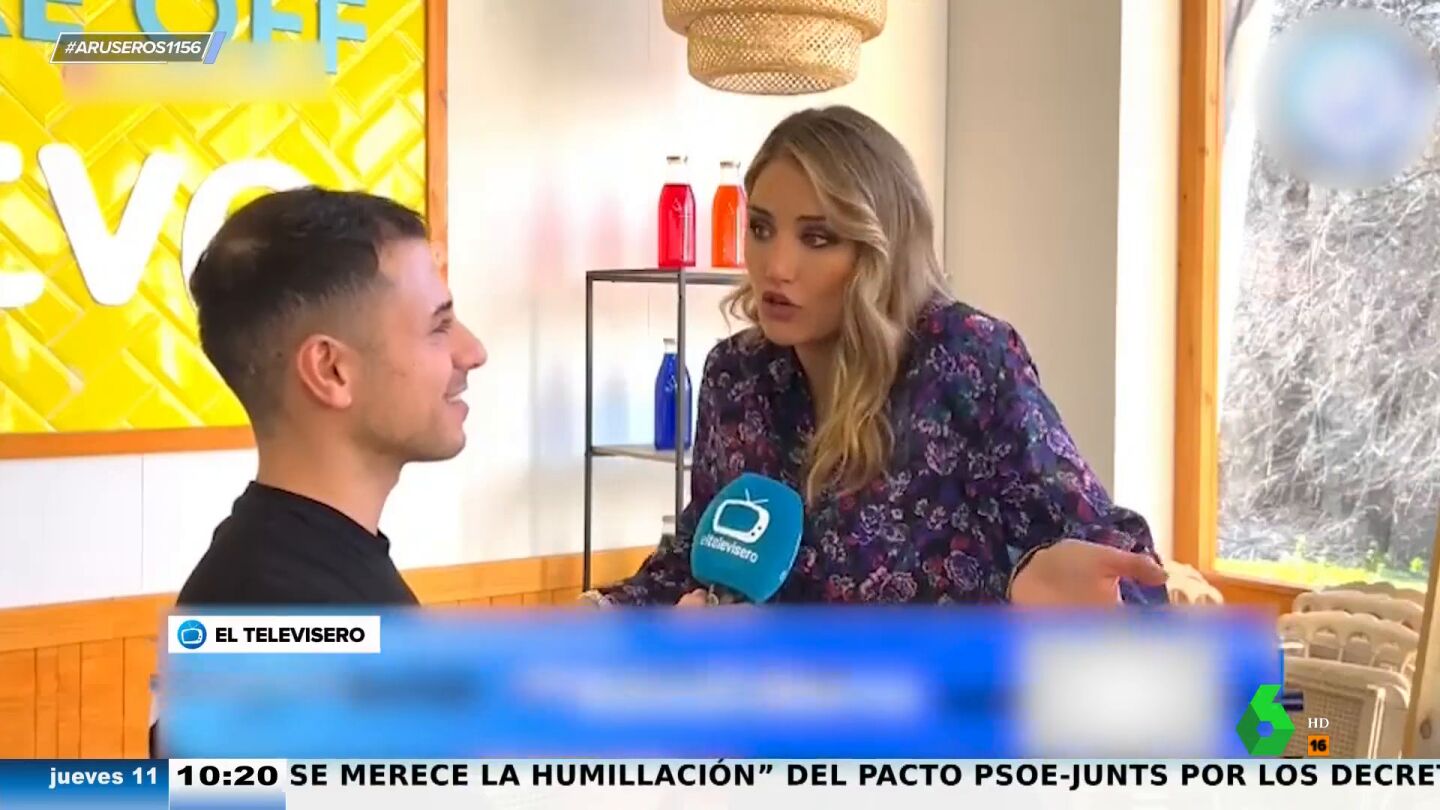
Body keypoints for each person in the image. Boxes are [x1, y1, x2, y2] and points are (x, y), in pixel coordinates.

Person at [585, 106, 1168, 608]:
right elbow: (700, 552)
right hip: (771, 699)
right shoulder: (736, 377)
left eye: (818, 238)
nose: (776, 266)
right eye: (760, 228)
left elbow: (1123, 572)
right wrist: (605, 614)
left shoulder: (966, 359)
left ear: (882, 250)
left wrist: (1032, 585)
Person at [152, 188, 485, 753]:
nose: (472, 351)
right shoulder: (279, 620)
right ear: (330, 370)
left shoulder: (301, 576)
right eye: (439, 326)